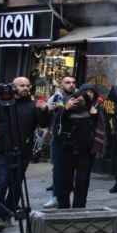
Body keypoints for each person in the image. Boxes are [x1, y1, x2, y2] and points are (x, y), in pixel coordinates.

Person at [0, 78, 51, 232]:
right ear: (13, 87)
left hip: (22, 150)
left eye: (28, 86)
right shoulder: (3, 103)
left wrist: (45, 111)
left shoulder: (33, 105)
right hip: (1, 149)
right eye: (21, 85)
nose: (25, 88)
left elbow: (43, 124)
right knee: (0, 182)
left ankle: (9, 212)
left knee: (15, 183)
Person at [53, 86, 103, 209]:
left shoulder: (93, 111)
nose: (89, 94)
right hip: (68, 149)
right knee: (65, 179)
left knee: (82, 180)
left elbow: (98, 129)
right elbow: (59, 126)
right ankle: (63, 205)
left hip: (85, 151)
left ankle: (79, 206)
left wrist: (94, 115)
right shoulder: (67, 110)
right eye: (86, 92)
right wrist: (65, 109)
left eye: (92, 92)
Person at [43, 76, 77, 209]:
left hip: (74, 138)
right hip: (58, 137)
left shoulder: (79, 96)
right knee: (57, 167)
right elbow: (50, 116)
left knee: (70, 170)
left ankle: (65, 198)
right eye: (68, 82)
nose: (71, 85)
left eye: (73, 82)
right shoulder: (57, 97)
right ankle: (56, 196)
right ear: (62, 84)